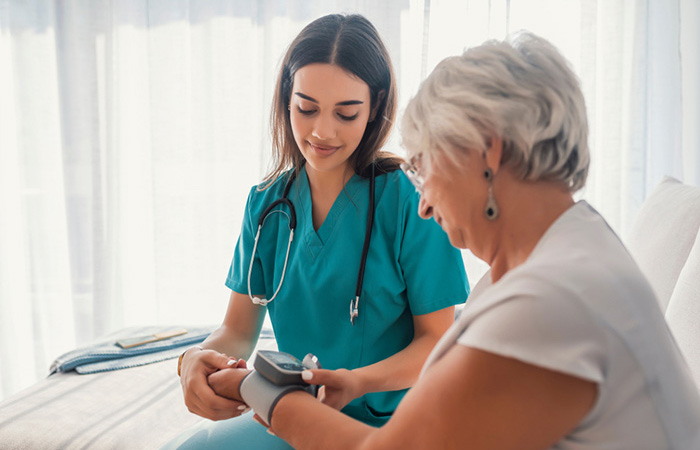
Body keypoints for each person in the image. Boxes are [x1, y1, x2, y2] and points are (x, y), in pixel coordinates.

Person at [202, 31, 700, 449]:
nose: (422, 203)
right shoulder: (569, 251)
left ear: (489, 152)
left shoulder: (551, 303)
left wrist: (259, 389)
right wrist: (351, 383)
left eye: (426, 167)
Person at [165, 13, 469, 449]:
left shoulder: (411, 199)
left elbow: (437, 343)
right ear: (286, 99)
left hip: (396, 427)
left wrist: (355, 382)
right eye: (306, 109)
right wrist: (192, 359)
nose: (321, 132)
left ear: (376, 107)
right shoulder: (267, 204)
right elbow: (237, 331)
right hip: (296, 417)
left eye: (346, 114)